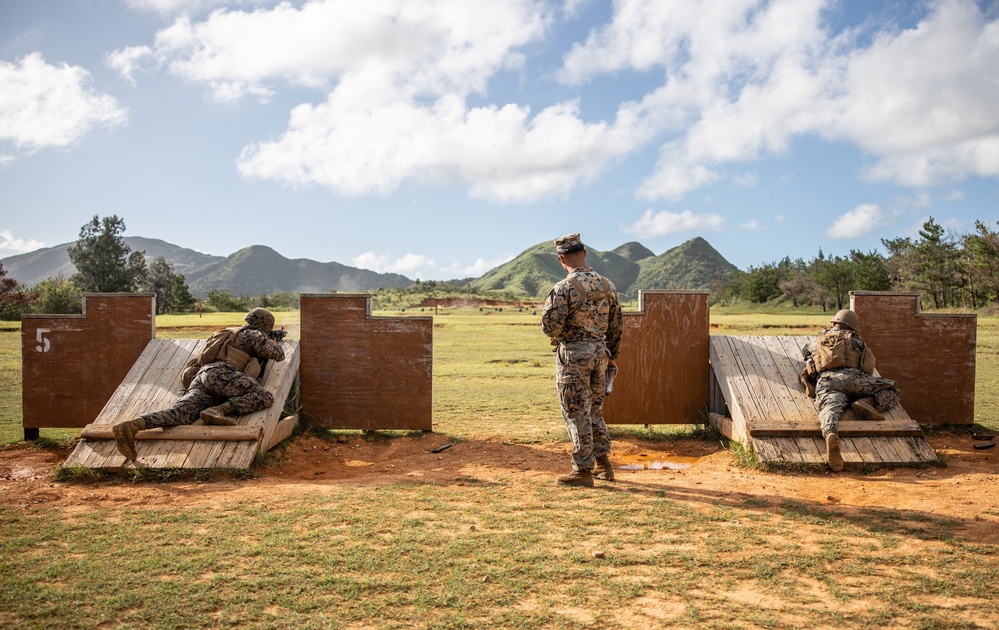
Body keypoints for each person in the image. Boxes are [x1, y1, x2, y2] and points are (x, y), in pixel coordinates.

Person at [112, 307, 287, 460]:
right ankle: (218, 410)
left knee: (179, 413)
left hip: (203, 376)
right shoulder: (253, 334)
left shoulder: (226, 333)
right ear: (265, 326)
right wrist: (272, 342)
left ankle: (133, 425)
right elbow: (278, 355)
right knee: (264, 396)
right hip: (225, 375)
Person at [541, 233, 624, 487]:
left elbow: (549, 327)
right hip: (601, 354)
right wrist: (611, 356)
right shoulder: (608, 286)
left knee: (576, 411)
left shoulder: (564, 288)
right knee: (594, 410)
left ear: (561, 258)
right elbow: (617, 327)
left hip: (574, 356)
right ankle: (604, 465)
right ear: (584, 253)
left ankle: (582, 471)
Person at [800, 309, 900, 472]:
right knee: (892, 388)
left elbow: (806, 352)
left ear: (833, 323)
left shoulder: (818, 340)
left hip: (829, 380)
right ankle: (867, 402)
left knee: (829, 408)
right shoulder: (857, 340)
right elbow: (867, 366)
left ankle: (831, 433)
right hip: (855, 379)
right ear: (853, 326)